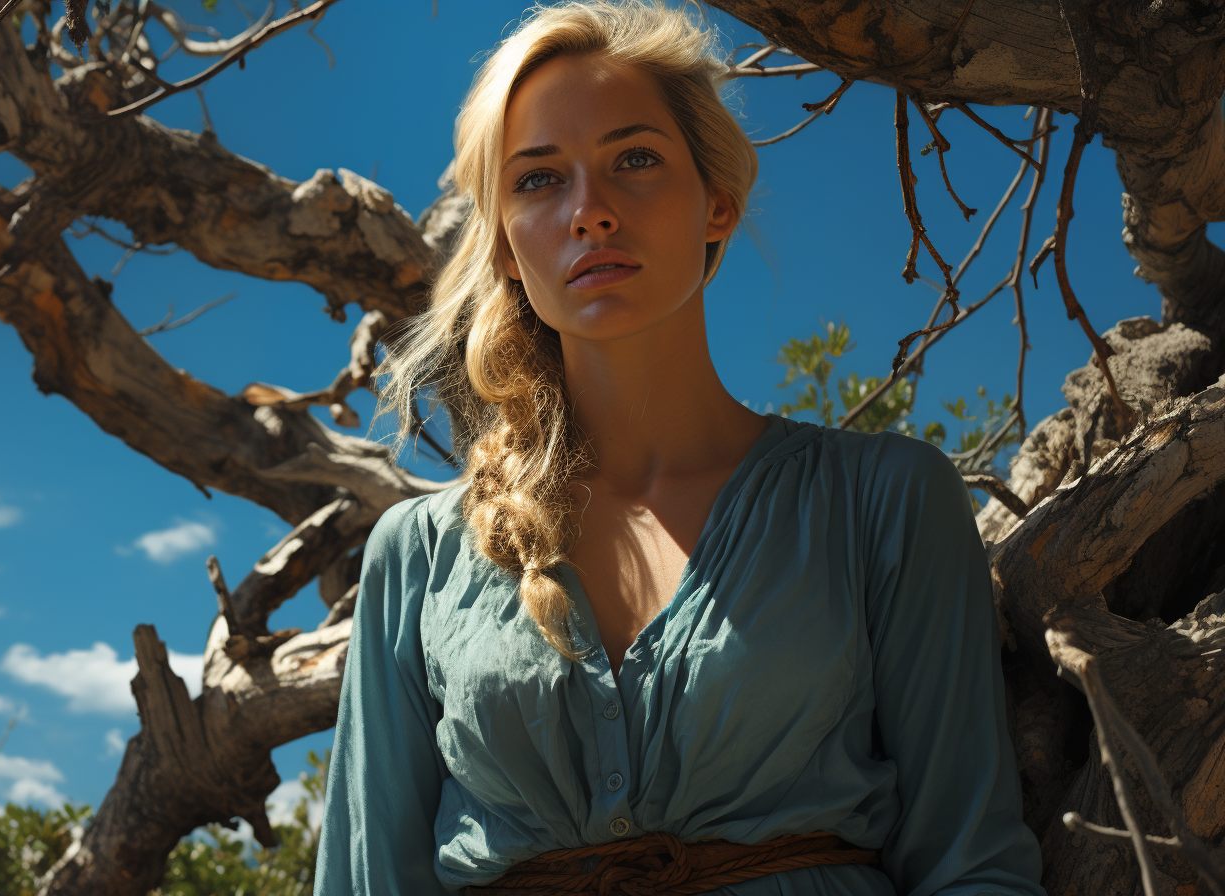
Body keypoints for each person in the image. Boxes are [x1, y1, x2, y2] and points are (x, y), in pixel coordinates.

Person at [314, 1, 1046, 893]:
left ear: (717, 205)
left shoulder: (883, 502)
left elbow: (970, 863)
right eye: (539, 180)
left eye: (635, 160)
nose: (591, 212)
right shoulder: (418, 558)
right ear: (504, 246)